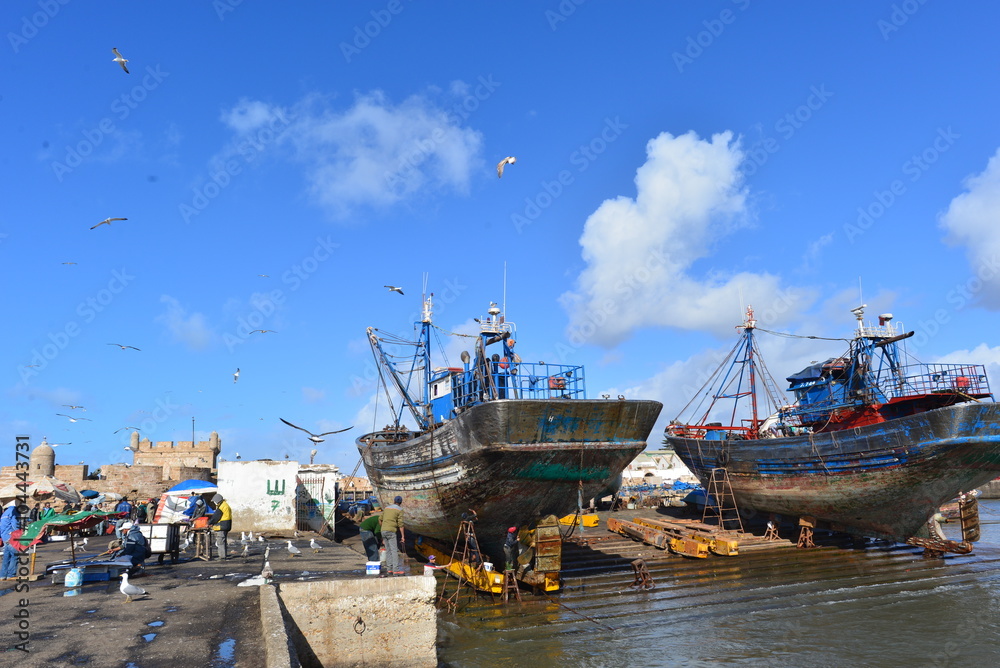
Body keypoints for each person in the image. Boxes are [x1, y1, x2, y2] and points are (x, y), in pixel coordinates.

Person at [380, 496, 405, 576]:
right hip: (391, 531)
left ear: (394, 501)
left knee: (388, 550)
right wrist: (403, 536)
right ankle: (396, 570)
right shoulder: (400, 510)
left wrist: (383, 527)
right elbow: (400, 524)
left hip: (383, 530)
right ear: (400, 502)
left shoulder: (386, 508)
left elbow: (380, 519)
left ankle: (389, 569)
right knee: (394, 551)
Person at [1, 500, 22, 580]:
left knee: (6, 556)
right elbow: (15, 525)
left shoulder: (4, 513)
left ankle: (3, 575)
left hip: (5, 537)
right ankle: (11, 574)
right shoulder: (13, 511)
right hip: (12, 536)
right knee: (15, 556)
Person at [209, 494, 232, 559]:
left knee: (220, 541)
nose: (214, 503)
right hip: (227, 525)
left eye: (214, 501)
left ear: (217, 500)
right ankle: (224, 555)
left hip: (222, 526)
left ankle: (222, 556)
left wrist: (210, 523)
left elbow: (216, 517)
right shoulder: (226, 505)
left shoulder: (222, 506)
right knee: (223, 541)